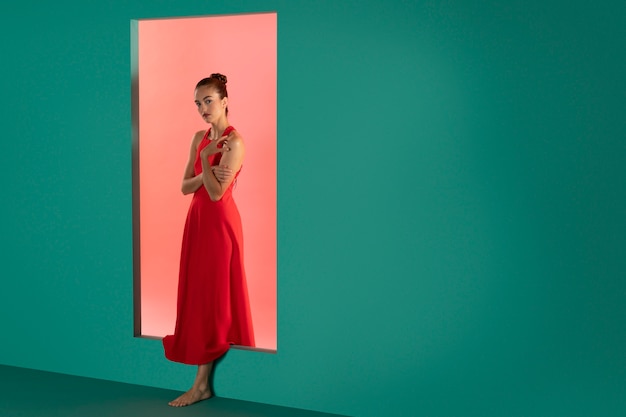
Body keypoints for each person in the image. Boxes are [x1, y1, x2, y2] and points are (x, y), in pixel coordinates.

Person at [162, 73, 255, 407]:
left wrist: (203, 163)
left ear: (225, 101)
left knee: (214, 295)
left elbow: (216, 195)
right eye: (198, 103)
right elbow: (185, 187)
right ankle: (201, 381)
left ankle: (201, 385)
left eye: (209, 101)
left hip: (219, 224)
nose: (202, 108)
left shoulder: (236, 142)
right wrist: (205, 165)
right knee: (199, 291)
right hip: (198, 222)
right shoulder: (199, 137)